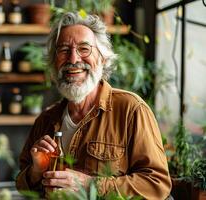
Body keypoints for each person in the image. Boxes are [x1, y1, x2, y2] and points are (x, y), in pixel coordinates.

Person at [16, 12, 172, 199]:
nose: (73, 59)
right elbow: (22, 184)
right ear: (54, 63)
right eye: (64, 50)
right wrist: (36, 171)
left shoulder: (131, 109)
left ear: (103, 58)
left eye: (84, 49)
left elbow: (157, 185)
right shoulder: (46, 120)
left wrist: (91, 185)